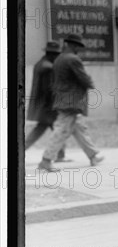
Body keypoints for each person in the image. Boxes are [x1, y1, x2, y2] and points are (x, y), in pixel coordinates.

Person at [38, 34, 104, 172]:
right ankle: (46, 160)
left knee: (79, 128)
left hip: (63, 98)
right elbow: (83, 77)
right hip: (71, 101)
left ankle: (93, 155)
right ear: (74, 46)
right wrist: (91, 84)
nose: (78, 49)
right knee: (61, 130)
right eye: (77, 46)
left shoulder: (59, 59)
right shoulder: (73, 59)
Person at [25, 41, 68, 160]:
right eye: (57, 54)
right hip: (48, 106)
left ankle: (60, 154)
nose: (58, 57)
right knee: (57, 129)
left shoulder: (40, 64)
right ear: (52, 54)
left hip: (42, 105)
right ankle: (59, 155)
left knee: (51, 129)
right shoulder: (48, 67)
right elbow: (49, 89)